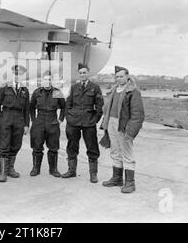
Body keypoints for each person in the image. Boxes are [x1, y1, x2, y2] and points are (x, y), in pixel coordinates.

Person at [101, 66, 144, 194]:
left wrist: (130, 132)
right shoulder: (114, 90)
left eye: (121, 76)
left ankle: (130, 183)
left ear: (127, 76)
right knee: (115, 151)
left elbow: (138, 114)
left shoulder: (133, 91)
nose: (119, 78)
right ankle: (117, 178)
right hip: (112, 123)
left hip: (124, 126)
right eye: (117, 76)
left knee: (127, 153)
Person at [62, 63, 104, 183]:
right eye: (80, 73)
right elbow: (68, 104)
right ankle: (71, 170)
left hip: (88, 122)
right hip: (73, 122)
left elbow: (100, 106)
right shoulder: (74, 87)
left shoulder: (95, 87)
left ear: (88, 73)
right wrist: (69, 117)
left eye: (84, 73)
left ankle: (93, 174)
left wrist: (95, 119)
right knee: (71, 146)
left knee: (92, 147)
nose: (82, 75)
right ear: (78, 74)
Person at [0, 65, 30, 182]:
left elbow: (27, 109)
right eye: (16, 74)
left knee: (16, 145)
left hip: (19, 118)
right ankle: (2, 173)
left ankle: (10, 169)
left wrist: (26, 124)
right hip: (7, 116)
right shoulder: (4, 87)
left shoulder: (25, 90)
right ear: (12, 74)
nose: (18, 76)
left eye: (20, 74)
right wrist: (1, 117)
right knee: (4, 145)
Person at [29, 71, 65, 177]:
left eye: (49, 79)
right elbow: (31, 107)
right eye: (45, 79)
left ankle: (53, 169)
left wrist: (61, 119)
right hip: (39, 121)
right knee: (37, 147)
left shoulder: (57, 92)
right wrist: (33, 119)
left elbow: (64, 107)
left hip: (53, 121)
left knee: (53, 148)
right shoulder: (37, 92)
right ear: (42, 81)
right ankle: (36, 168)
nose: (47, 81)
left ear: (52, 81)